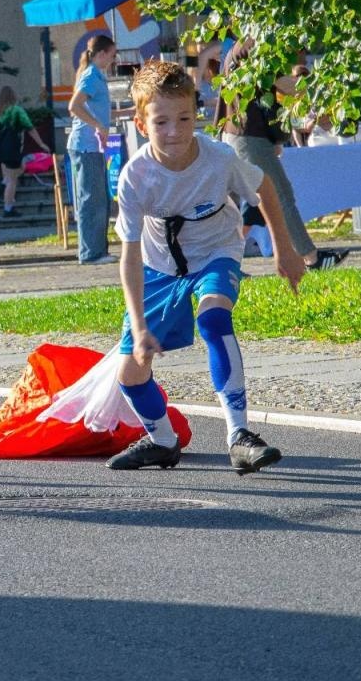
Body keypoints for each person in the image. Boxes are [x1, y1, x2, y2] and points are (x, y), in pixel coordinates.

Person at [106, 60, 306, 474]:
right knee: (130, 373)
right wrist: (139, 326)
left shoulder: (219, 158)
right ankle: (162, 440)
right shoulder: (135, 176)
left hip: (216, 251)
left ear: (196, 114)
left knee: (214, 318)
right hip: (159, 266)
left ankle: (239, 436)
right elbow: (128, 255)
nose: (175, 131)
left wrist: (284, 250)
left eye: (183, 118)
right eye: (161, 122)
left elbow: (264, 187)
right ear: (142, 125)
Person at [217, 39, 346, 270]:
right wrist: (323, 92)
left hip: (247, 135)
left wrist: (274, 137)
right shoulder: (253, 43)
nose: (301, 54)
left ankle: (226, 264)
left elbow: (268, 93)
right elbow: (283, 85)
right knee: (280, 197)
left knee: (253, 207)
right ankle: (312, 258)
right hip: (249, 136)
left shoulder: (244, 46)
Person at [66, 34, 123, 264]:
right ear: (101, 54)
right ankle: (91, 253)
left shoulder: (96, 75)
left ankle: (97, 250)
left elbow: (99, 111)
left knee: (99, 199)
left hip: (93, 146)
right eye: (111, 55)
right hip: (86, 146)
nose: (113, 59)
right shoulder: (91, 75)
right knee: (92, 199)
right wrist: (99, 125)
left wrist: (126, 114)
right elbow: (74, 106)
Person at [0, 85, 51, 218]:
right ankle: (8, 209)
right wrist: (41, 143)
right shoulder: (17, 110)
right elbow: (30, 128)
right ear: (13, 96)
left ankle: (5, 182)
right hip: (12, 148)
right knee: (13, 180)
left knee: (21, 167)